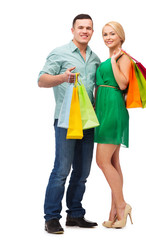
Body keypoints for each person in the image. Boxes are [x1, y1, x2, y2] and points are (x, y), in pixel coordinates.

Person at [38, 14, 100, 234]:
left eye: (89, 28)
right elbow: (41, 80)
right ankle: (52, 217)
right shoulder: (60, 53)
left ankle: (75, 214)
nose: (85, 31)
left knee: (82, 172)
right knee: (62, 169)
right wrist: (63, 78)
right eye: (80, 27)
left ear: (92, 31)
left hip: (88, 123)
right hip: (65, 121)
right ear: (72, 30)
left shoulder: (95, 58)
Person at [94, 21, 133, 228]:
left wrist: (114, 61)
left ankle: (122, 205)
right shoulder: (109, 59)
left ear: (120, 36)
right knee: (114, 162)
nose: (108, 37)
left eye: (112, 34)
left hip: (113, 110)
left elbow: (122, 83)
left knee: (102, 161)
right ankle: (115, 213)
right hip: (102, 111)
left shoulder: (123, 58)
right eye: (105, 34)